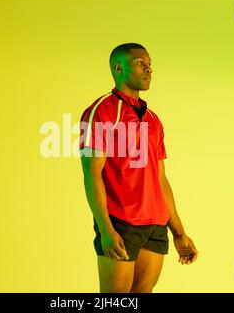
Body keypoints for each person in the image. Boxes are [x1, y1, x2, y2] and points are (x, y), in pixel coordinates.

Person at [79, 43, 198, 293]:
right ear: (118, 67)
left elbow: (161, 179)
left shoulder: (154, 120)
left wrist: (178, 232)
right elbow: (92, 174)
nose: (148, 69)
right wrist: (105, 228)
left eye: (150, 64)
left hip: (155, 225)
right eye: (140, 63)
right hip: (121, 222)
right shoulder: (101, 111)